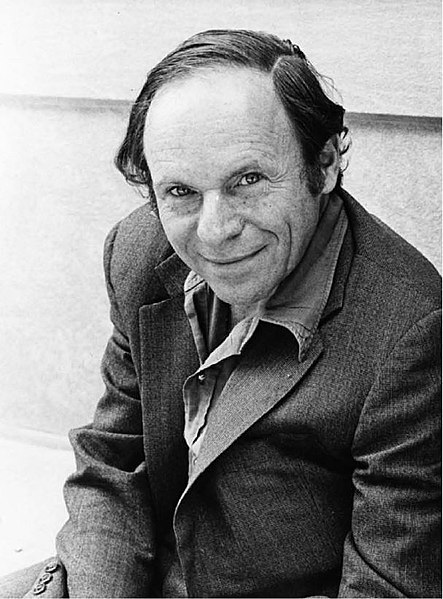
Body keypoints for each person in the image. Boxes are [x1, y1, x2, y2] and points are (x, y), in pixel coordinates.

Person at [0, 29, 441, 598]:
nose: (214, 232)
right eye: (181, 192)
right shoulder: (139, 252)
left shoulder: (412, 331)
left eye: (248, 180)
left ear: (326, 163)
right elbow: (113, 467)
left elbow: (389, 585)